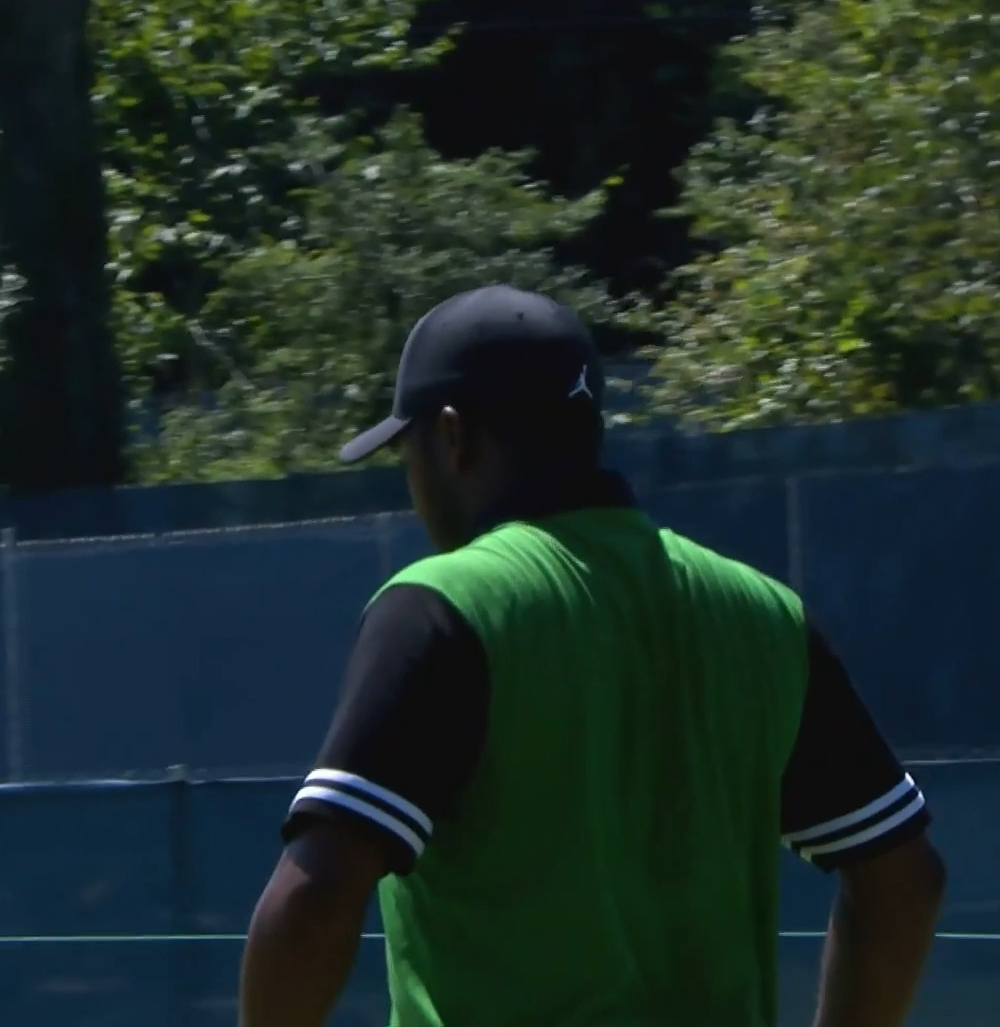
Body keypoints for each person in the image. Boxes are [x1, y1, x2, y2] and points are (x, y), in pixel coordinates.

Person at [237, 286, 946, 1027]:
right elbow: (903, 877)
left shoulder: (445, 606)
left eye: (406, 448)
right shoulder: (763, 613)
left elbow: (318, 899)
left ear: (452, 438)